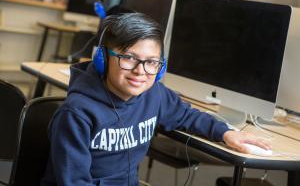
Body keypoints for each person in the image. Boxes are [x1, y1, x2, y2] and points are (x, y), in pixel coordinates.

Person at [41, 13, 270, 186]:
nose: (141, 71)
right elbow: (74, 182)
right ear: (102, 59)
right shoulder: (77, 114)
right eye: (129, 58)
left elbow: (186, 115)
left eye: (152, 62)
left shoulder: (154, 95)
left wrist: (226, 133)